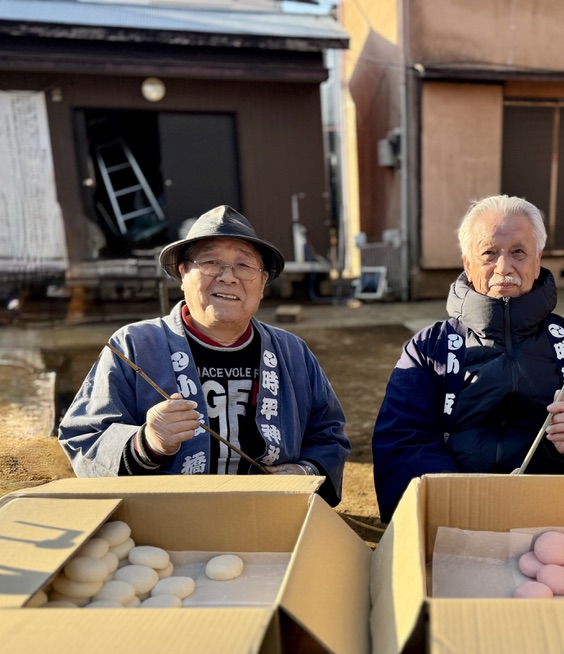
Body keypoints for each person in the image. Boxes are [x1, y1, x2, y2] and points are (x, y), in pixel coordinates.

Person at [371, 194, 564, 522]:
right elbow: (400, 442)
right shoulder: (429, 349)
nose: (504, 267)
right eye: (489, 253)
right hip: (456, 519)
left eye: (518, 252)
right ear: (468, 264)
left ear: (538, 259)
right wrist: (465, 503)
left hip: (553, 522)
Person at [58, 205, 350, 506]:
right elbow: (84, 436)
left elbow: (328, 433)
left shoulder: (292, 352)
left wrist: (306, 470)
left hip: (270, 515)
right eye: (210, 262)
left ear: (263, 282)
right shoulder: (134, 345)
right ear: (183, 273)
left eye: (244, 265)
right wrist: (147, 443)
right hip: (163, 521)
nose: (228, 277)